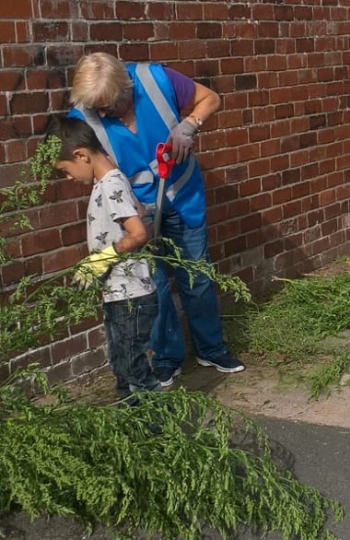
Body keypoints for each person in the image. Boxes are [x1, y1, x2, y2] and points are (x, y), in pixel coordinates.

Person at [68, 52, 244, 387]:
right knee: (156, 287)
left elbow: (211, 98)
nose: (102, 113)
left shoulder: (156, 79)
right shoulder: (82, 117)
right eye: (96, 108)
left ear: (125, 86)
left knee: (197, 276)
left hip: (183, 195)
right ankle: (167, 358)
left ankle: (211, 348)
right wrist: (131, 209)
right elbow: (95, 170)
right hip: (138, 213)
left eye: (108, 104)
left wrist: (188, 125)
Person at [46, 115, 161, 402]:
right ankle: (130, 425)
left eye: (65, 171)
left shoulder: (111, 185)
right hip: (117, 295)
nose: (69, 178)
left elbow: (138, 233)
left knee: (133, 368)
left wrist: (102, 258)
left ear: (81, 155)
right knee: (121, 365)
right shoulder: (107, 180)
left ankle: (160, 427)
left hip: (131, 297)